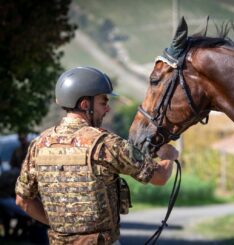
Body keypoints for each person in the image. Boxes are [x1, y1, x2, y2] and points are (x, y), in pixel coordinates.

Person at [15, 66, 178, 245]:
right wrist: (168, 156)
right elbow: (160, 177)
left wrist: (63, 227)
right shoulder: (106, 144)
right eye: (103, 102)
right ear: (85, 104)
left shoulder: (39, 145)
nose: (107, 109)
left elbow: (23, 200)